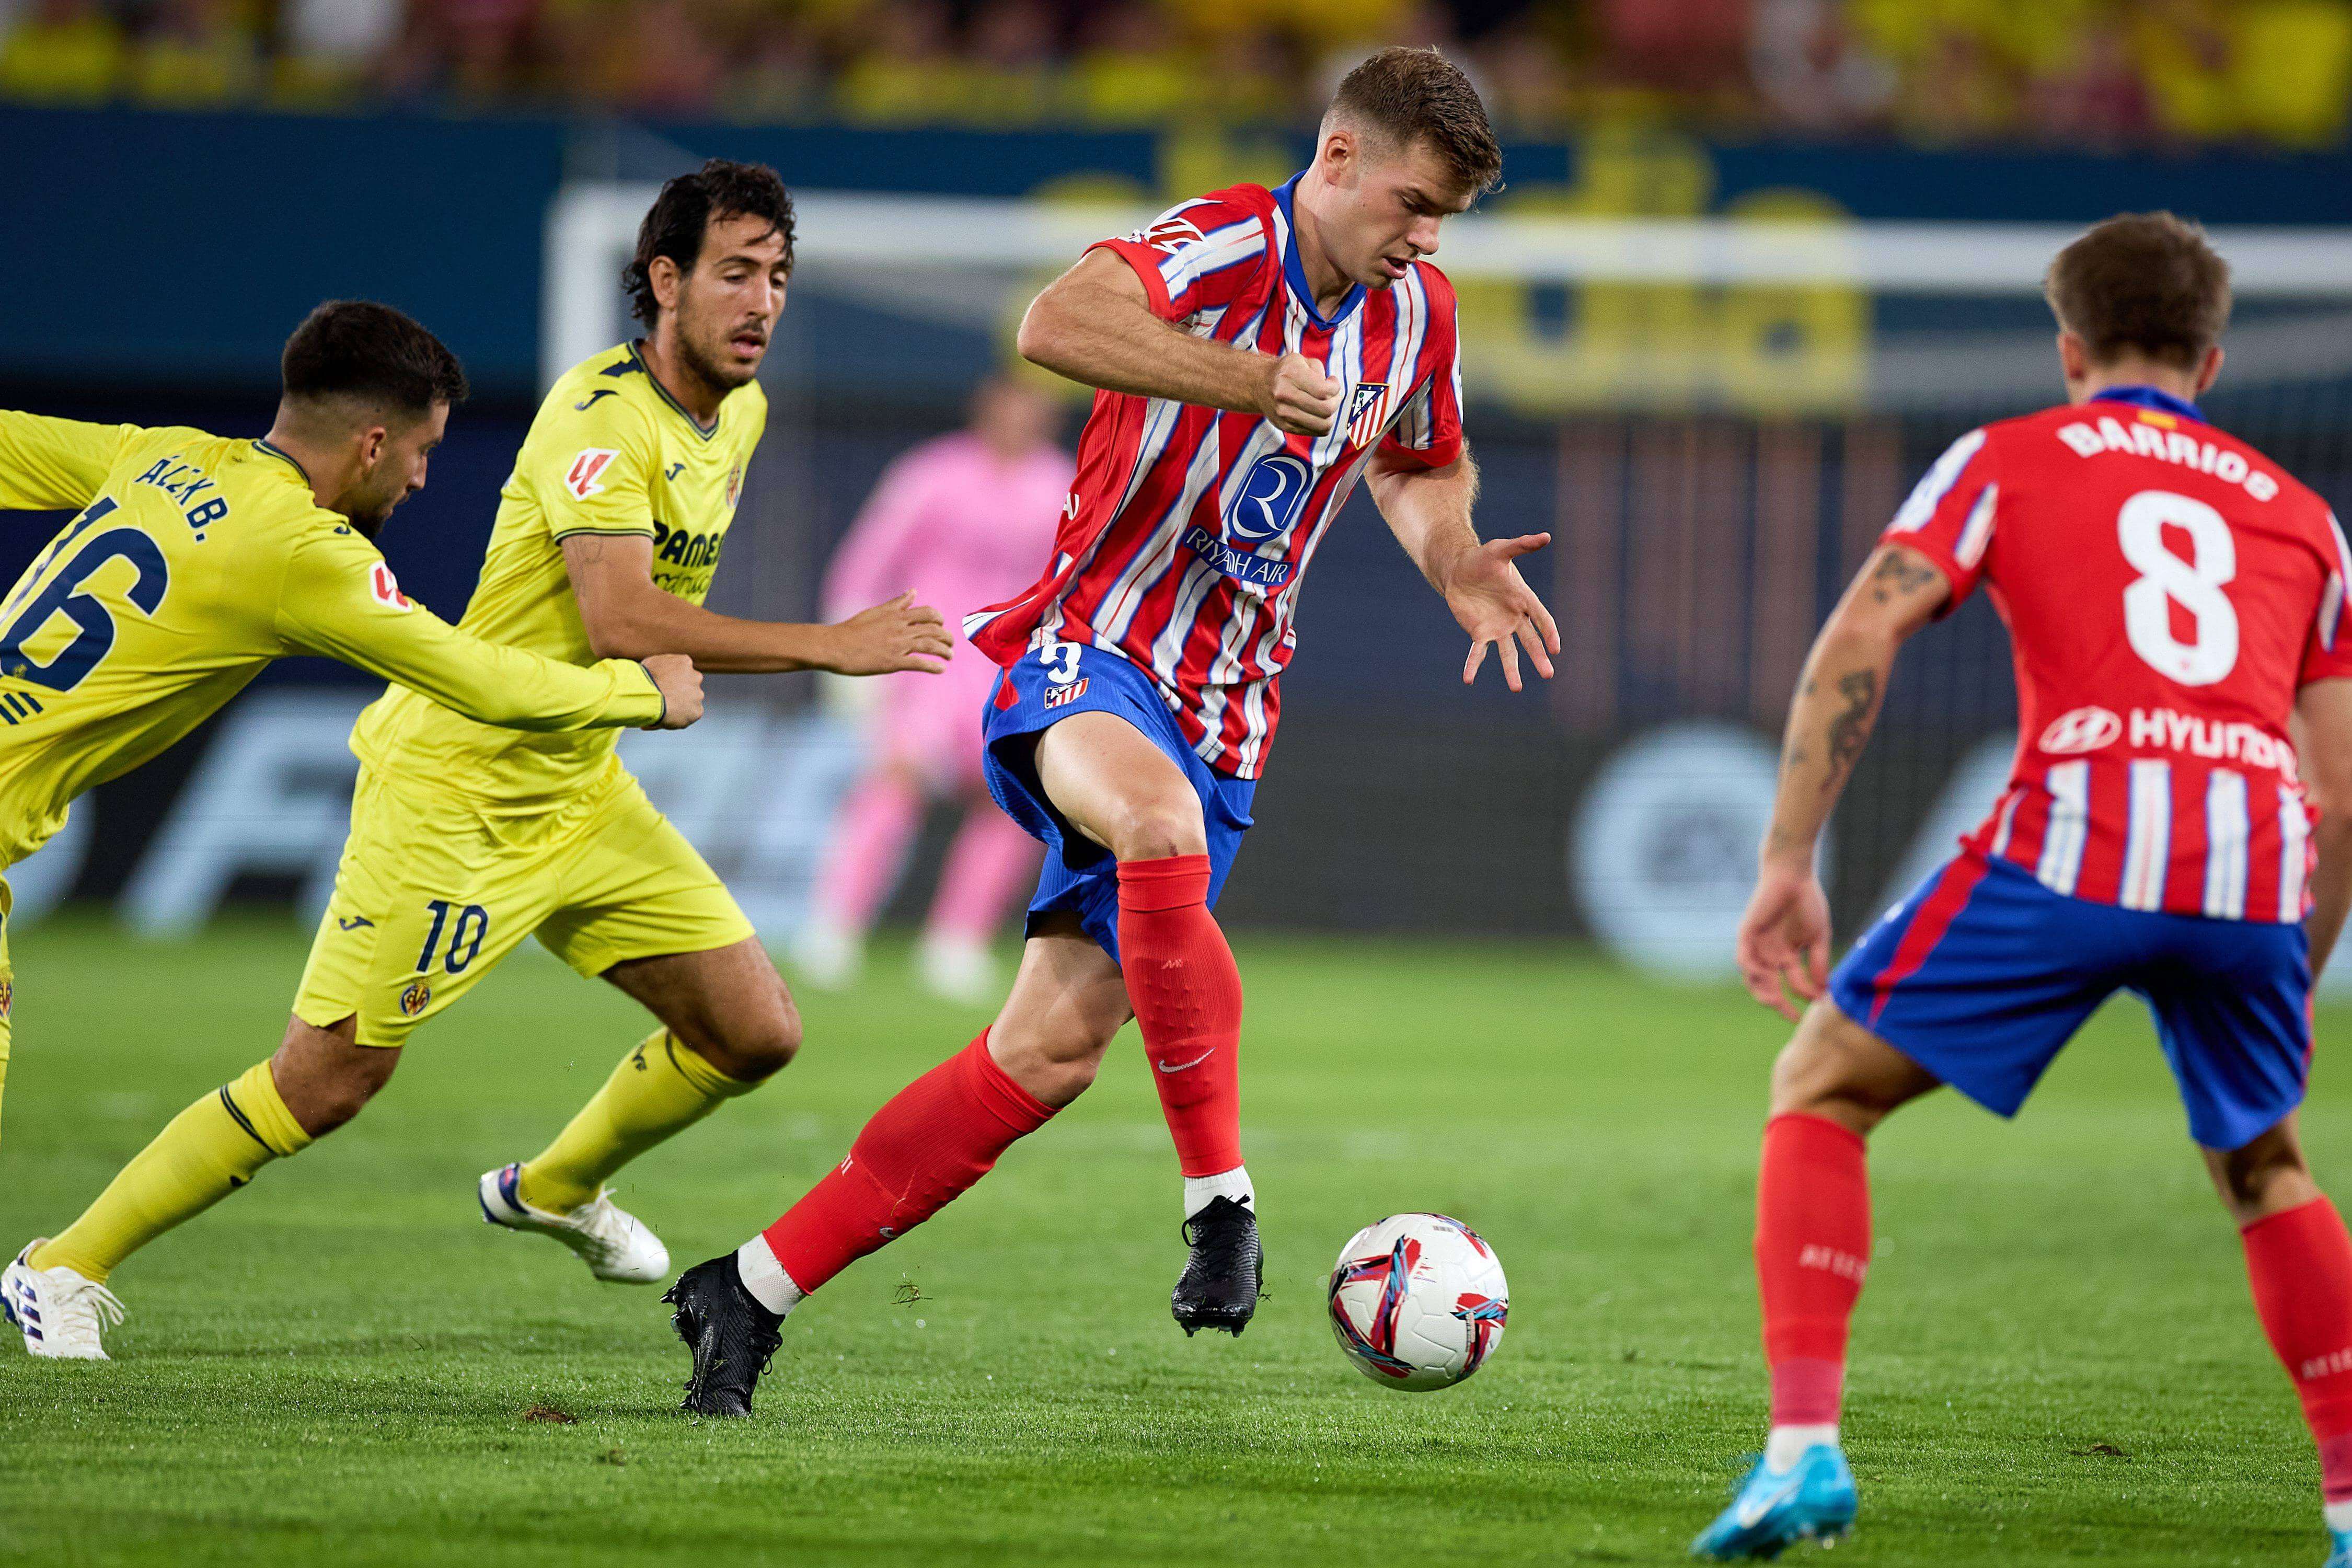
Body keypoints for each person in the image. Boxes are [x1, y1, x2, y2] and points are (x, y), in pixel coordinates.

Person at [662, 45, 1560, 1418]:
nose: (1427, 238)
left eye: (1446, 218)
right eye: (1414, 204)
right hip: (1093, 651)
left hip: (1233, 705)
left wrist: (1453, 559)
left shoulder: (1415, 312)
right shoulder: (1221, 246)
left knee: (1044, 1057)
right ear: (1337, 161)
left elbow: (1418, 461)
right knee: (1154, 822)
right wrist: (1245, 379)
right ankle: (1221, 1204)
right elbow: (1056, 323)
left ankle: (749, 1289)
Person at [6, 159, 952, 1362]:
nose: (762, 300)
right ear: (665, 280)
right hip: (455, 791)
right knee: (326, 1083)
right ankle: (64, 1264)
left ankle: (552, 1189)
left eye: (777, 275)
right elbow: (618, 618)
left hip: (579, 786)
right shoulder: (592, 421)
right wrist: (823, 648)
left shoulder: (742, 414)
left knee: (753, 1029)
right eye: (735, 273)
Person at [1694, 212, 2352, 1562]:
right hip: (2247, 859)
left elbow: (1866, 625)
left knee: (1821, 1086)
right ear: (2212, 364)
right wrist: (2290, 971)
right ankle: (2349, 1511)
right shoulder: (2307, 520)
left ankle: (1801, 1456)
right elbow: (2340, 790)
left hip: (2082, 834)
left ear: (2068, 349)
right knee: (2267, 1163)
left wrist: (1787, 860)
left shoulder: (2005, 457)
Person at [0, 299, 709, 1354]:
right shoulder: (304, 552)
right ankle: (57, 1273)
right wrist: (641, 696)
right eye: (423, 451)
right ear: (374, 444)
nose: (422, 478)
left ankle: (61, 1272)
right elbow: (481, 679)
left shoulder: (161, 456)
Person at [791, 373, 1071, 1003]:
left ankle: (957, 941)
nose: (1022, 418)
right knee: (894, 784)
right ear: (986, 406)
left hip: (1012, 672)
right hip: (925, 661)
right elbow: (868, 561)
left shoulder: (1062, 486)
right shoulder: (931, 475)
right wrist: (845, 649)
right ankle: (834, 926)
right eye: (1012, 405)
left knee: (1015, 804)